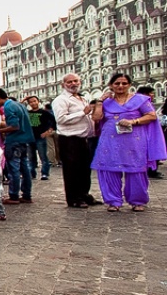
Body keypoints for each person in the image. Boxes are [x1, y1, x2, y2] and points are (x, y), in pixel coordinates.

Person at [90, 73, 167, 212]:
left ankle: (137, 201)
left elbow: (151, 116)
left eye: (124, 83)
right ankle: (114, 201)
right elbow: (96, 118)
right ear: (111, 85)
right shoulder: (106, 103)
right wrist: (100, 100)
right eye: (117, 83)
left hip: (134, 140)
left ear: (129, 85)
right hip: (110, 141)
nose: (120, 86)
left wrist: (133, 121)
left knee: (135, 169)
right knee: (109, 169)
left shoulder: (140, 100)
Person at [51, 73, 98, 208]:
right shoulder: (61, 100)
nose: (73, 84)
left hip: (84, 139)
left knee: (84, 169)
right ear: (63, 85)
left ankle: (84, 194)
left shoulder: (82, 98)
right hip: (69, 139)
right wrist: (83, 112)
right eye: (69, 82)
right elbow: (61, 119)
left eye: (75, 81)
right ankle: (74, 198)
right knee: (72, 170)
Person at [25, 96, 56, 181]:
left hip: (40, 137)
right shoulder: (27, 113)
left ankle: (45, 173)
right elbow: (19, 108)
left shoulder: (44, 112)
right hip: (30, 137)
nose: (33, 103)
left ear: (38, 101)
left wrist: (48, 131)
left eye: (34, 101)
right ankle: (32, 173)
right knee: (31, 157)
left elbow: (54, 122)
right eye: (30, 102)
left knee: (43, 156)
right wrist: (23, 100)